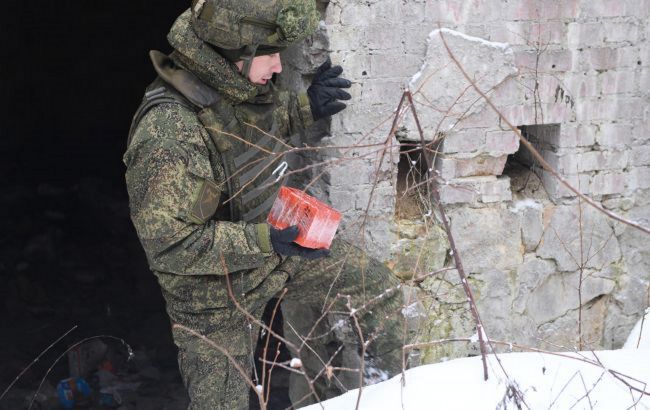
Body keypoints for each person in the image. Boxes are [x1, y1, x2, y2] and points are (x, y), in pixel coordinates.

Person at [124, 1, 406, 408]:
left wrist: (303, 108)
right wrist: (264, 240)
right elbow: (171, 247)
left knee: (374, 290)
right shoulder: (168, 134)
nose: (277, 67)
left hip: (270, 245)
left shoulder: (228, 83)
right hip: (213, 293)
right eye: (268, 55)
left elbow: (240, 130)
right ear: (228, 55)